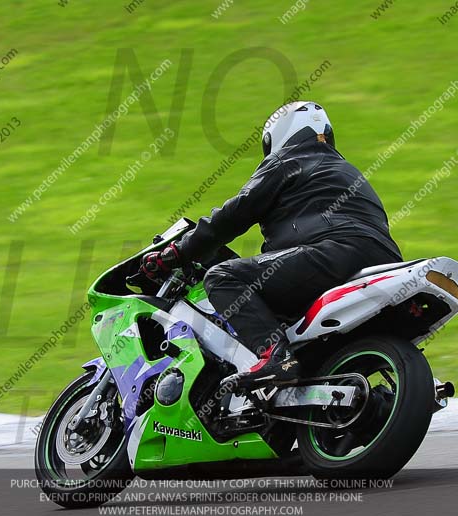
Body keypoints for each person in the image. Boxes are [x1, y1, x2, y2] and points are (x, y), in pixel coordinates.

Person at [140, 101, 402, 390]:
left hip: (336, 253)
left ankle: (276, 358)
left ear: (278, 135)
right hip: (383, 257)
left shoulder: (288, 159)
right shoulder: (348, 171)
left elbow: (235, 214)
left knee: (223, 276)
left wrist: (179, 251)